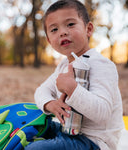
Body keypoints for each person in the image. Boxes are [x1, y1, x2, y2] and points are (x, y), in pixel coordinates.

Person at [25, 0, 124, 150]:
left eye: (70, 24)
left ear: (88, 29)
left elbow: (103, 112)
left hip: (93, 140)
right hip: (66, 131)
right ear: (49, 41)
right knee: (29, 125)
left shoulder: (102, 65)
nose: (63, 32)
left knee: (35, 149)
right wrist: (50, 104)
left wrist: (73, 89)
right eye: (54, 29)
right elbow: (42, 90)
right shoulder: (63, 66)